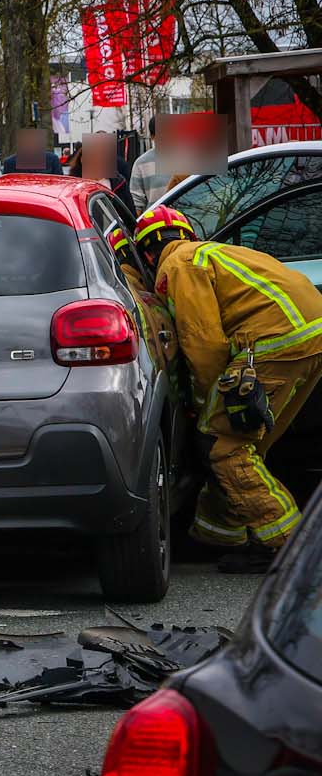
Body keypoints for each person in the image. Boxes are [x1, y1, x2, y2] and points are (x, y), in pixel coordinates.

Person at [134, 203, 322, 564]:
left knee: (222, 445)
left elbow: (204, 344)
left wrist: (203, 403)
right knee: (245, 442)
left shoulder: (179, 265)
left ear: (146, 252)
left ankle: (288, 547)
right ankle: (216, 534)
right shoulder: (208, 252)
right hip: (307, 333)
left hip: (278, 341)